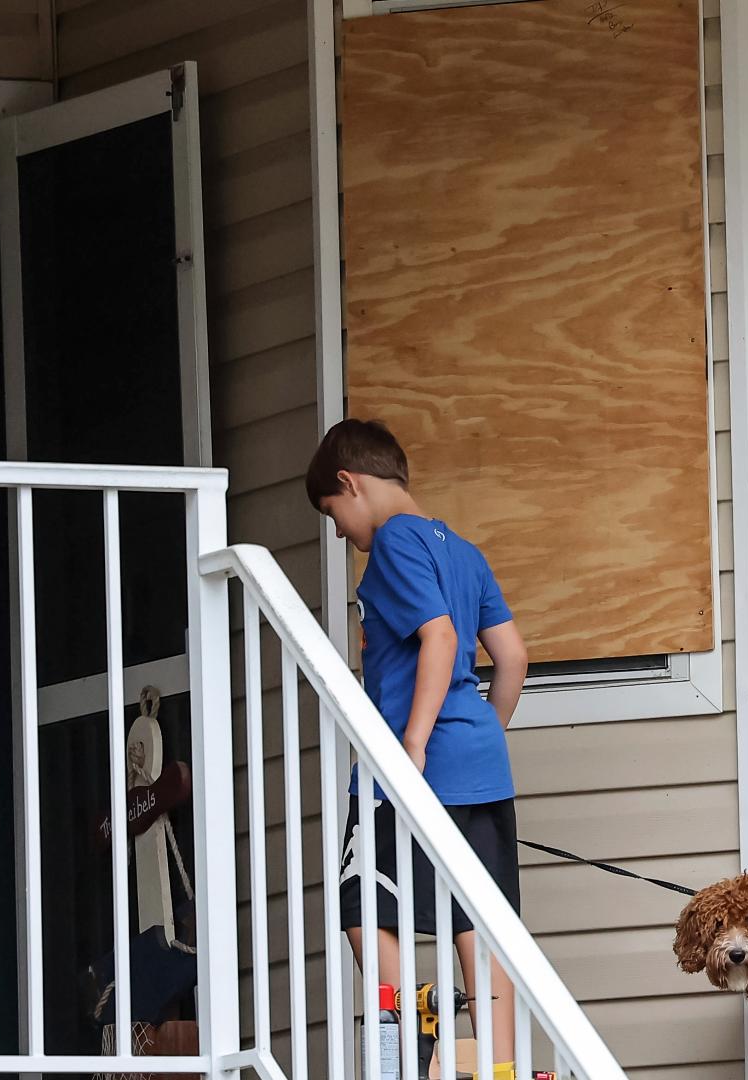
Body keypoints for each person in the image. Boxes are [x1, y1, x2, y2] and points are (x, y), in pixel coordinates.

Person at [306, 418, 528, 1068]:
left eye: (333, 514)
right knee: (480, 928)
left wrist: (415, 746)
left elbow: (440, 638)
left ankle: (415, 1015)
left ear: (349, 483)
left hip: (410, 769)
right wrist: (482, 739)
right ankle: (498, 1066)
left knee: (360, 902)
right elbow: (512, 658)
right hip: (481, 767)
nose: (342, 533)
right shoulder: (463, 550)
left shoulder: (395, 543)